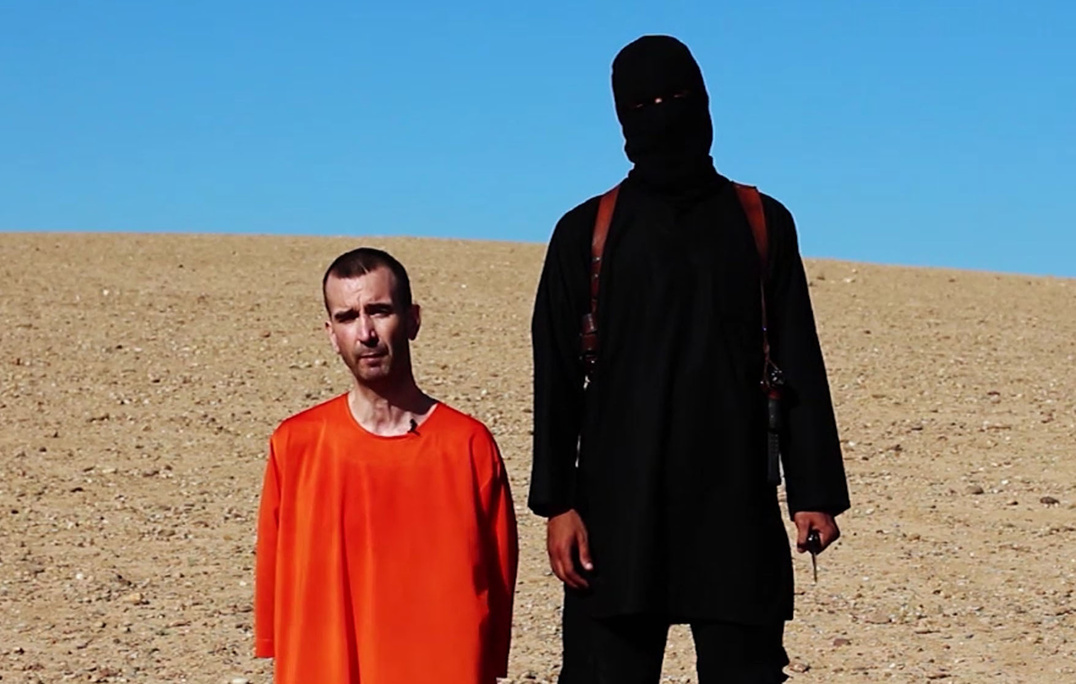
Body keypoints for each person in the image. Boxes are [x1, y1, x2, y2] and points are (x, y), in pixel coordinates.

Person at [529, 35, 851, 683]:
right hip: (616, 511)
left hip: (735, 504)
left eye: (677, 97)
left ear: (705, 101)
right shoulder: (584, 233)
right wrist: (557, 506)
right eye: (644, 105)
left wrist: (813, 493)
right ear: (621, 118)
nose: (664, 115)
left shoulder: (761, 222)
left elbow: (796, 358)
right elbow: (556, 379)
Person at [255, 247, 519, 684]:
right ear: (330, 334)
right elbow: (275, 584)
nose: (365, 333)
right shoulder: (296, 444)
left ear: (412, 320)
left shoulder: (468, 446)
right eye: (347, 317)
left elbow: (498, 580)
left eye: (379, 311)